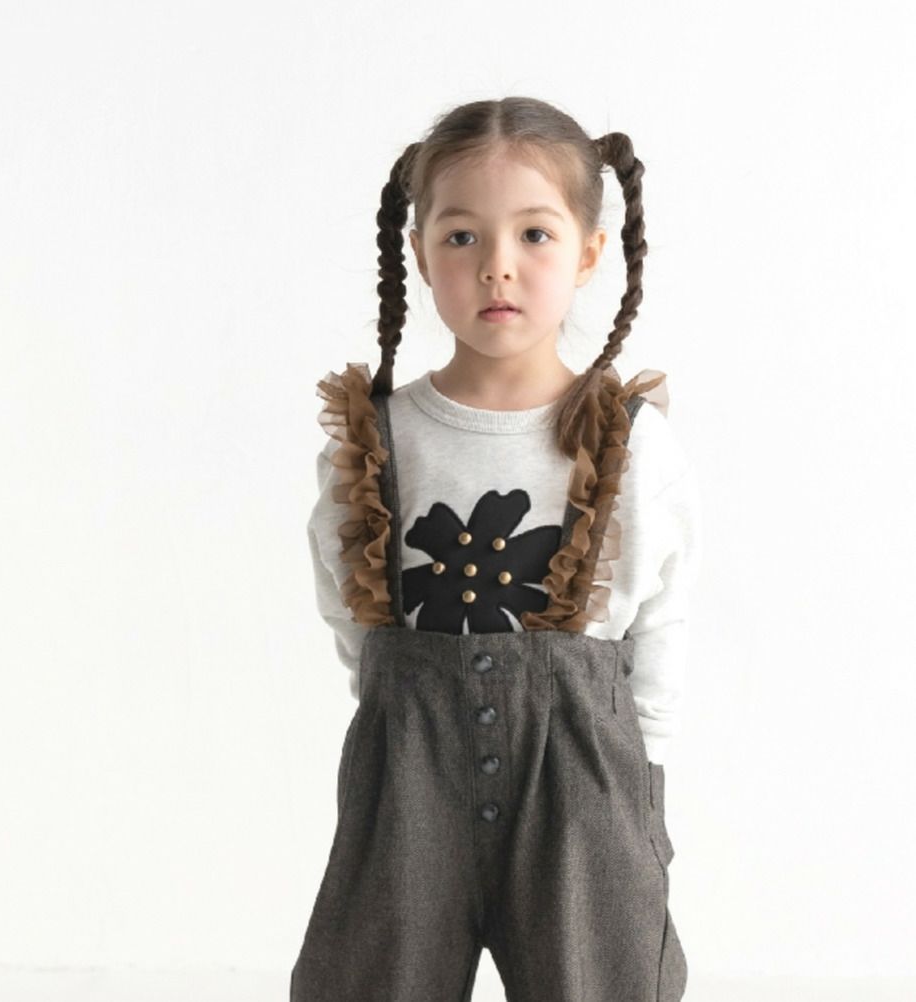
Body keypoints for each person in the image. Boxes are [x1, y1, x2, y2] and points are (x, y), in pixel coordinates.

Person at [290, 96, 702, 1002]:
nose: (497, 266)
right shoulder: (378, 439)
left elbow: (660, 615)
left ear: (589, 252)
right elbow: (348, 605)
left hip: (585, 783)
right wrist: (405, 712)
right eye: (463, 236)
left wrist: (640, 777)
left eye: (535, 235)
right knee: (370, 980)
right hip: (408, 771)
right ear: (419, 251)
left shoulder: (630, 443)